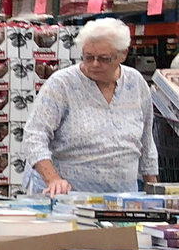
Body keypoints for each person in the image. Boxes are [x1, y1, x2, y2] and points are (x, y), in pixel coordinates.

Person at [24, 17, 159, 196]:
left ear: (123, 55)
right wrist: (53, 180)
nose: (94, 64)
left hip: (122, 197)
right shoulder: (62, 84)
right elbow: (35, 136)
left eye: (104, 59)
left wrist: (154, 192)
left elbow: (146, 142)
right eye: (88, 57)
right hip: (67, 198)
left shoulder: (136, 83)